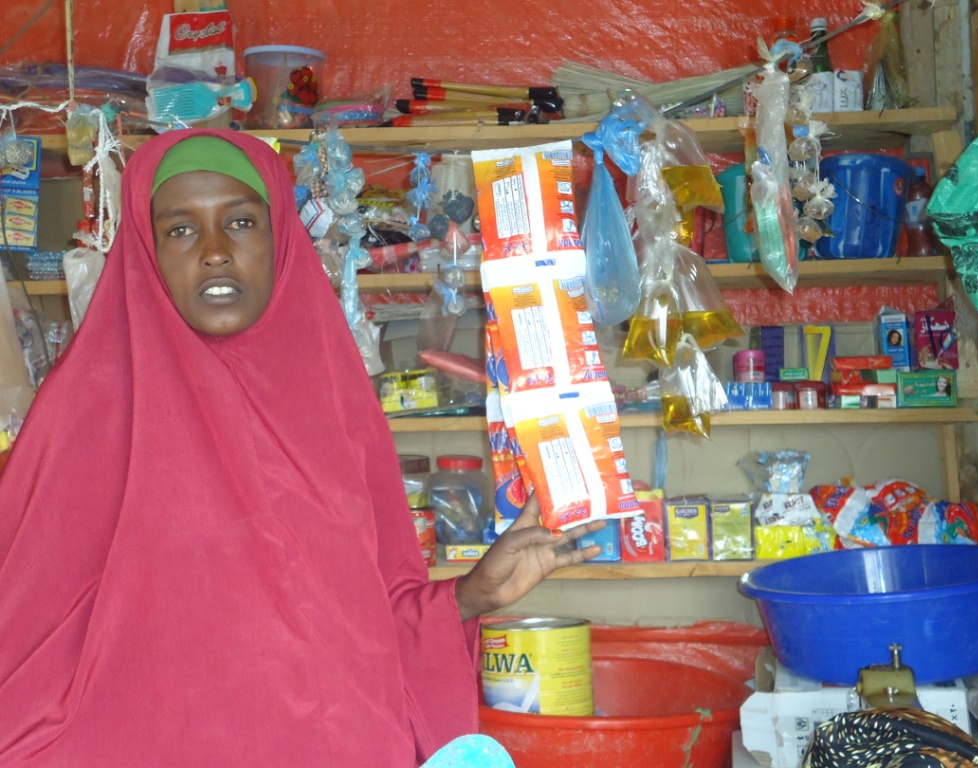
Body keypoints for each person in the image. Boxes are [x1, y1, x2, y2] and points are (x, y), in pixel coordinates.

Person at [0, 130, 606, 766]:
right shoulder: (87, 413)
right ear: (144, 250)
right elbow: (24, 645)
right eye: (181, 230)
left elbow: (375, 612)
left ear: (280, 236)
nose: (214, 252)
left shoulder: (333, 400)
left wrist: (471, 596)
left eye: (240, 221)